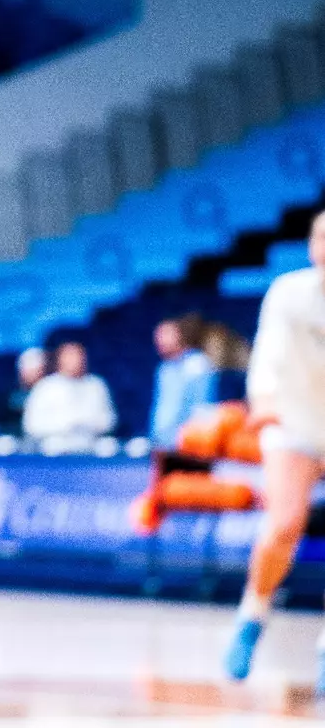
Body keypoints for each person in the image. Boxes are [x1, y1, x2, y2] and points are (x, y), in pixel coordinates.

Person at [223, 210, 325, 696]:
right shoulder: (289, 292)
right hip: (293, 420)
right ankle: (252, 614)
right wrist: (262, 400)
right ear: (311, 246)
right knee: (284, 524)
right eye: (322, 236)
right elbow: (268, 355)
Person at [21, 342, 116, 455]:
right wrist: (65, 424)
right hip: (54, 449)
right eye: (70, 356)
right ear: (60, 359)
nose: (76, 361)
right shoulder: (45, 387)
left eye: (79, 356)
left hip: (90, 446)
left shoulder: (96, 385)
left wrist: (87, 423)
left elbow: (110, 420)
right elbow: (31, 425)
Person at [149, 317, 215, 449]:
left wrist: (190, 437)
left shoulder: (197, 364)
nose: (159, 340)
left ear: (180, 335)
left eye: (165, 334)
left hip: (189, 443)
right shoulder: (164, 369)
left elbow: (201, 408)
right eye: (157, 336)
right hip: (162, 443)